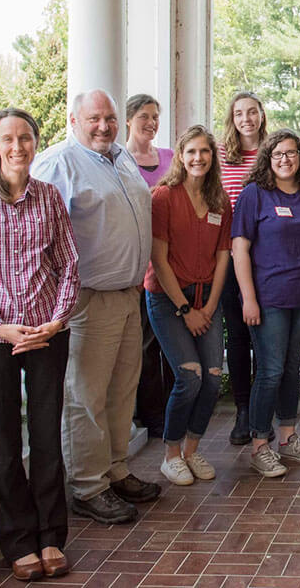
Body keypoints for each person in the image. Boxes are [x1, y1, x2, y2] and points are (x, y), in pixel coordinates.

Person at [0, 108, 79, 580]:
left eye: (25, 137)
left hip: (47, 335)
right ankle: (19, 541)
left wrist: (55, 320)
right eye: (9, 138)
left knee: (46, 440)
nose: (18, 146)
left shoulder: (48, 196)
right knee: (4, 443)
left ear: (34, 143)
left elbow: (68, 264)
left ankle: (50, 537)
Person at [32, 89, 159, 524]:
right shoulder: (57, 165)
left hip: (127, 296)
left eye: (108, 117)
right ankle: (87, 486)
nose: (103, 126)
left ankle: (116, 469)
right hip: (88, 300)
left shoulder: (120, 156)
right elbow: (36, 237)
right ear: (74, 120)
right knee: (86, 396)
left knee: (122, 391)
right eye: (93, 119)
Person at [232, 130, 300, 478]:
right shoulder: (254, 195)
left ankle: (288, 440)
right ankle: (261, 445)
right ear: (268, 159)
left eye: (291, 153)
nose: (285, 159)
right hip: (269, 298)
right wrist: (248, 298)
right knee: (271, 370)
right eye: (278, 154)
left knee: (291, 368)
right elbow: (240, 249)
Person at [143, 126, 232, 486]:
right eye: (191, 151)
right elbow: (158, 260)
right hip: (169, 300)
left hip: (206, 298)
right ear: (180, 155)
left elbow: (223, 256)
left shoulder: (219, 201)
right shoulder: (163, 197)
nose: (198, 158)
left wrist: (209, 307)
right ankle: (171, 454)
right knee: (189, 377)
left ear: (213, 157)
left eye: (205, 152)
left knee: (212, 380)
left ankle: (192, 451)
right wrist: (186, 310)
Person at [218, 91, 267, 445]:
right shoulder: (221, 154)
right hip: (228, 256)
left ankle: (266, 407)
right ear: (232, 118)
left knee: (264, 336)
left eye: (252, 112)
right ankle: (243, 411)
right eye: (239, 113)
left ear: (262, 115)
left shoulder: (273, 152)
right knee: (236, 336)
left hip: (267, 258)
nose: (246, 118)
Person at [125, 93, 175, 440]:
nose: (151, 123)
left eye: (155, 116)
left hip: (172, 262)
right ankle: (151, 414)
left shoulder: (171, 158)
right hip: (136, 263)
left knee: (174, 339)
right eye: (144, 116)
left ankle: (177, 410)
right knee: (144, 343)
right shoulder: (119, 160)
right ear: (129, 120)